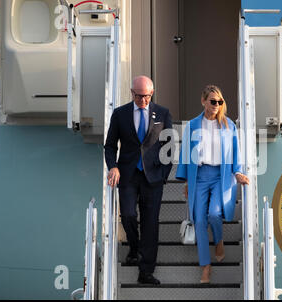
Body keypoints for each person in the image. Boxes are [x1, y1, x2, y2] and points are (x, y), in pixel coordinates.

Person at [176, 84, 249, 284]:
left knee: (214, 214)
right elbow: (186, 154)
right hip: (199, 176)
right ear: (203, 101)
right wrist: (187, 182)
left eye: (220, 102)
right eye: (213, 101)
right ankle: (206, 267)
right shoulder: (192, 125)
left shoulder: (228, 125)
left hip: (221, 175)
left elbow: (236, 151)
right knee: (199, 220)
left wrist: (239, 172)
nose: (217, 105)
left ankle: (218, 240)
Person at [104, 75, 173, 285]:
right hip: (128, 174)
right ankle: (134, 247)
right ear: (132, 92)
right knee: (128, 215)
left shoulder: (162, 113)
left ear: (152, 94)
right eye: (139, 96)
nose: (143, 100)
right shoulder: (120, 114)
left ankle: (146, 272)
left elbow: (169, 146)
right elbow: (110, 145)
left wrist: (163, 175)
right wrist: (113, 166)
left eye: (147, 96)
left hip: (153, 177)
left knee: (151, 224)